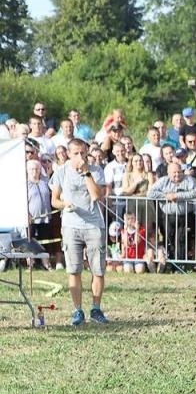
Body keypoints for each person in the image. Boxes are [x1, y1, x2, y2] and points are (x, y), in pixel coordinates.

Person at [49, 137, 110, 325]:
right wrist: (64, 204)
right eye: (76, 153)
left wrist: (86, 173)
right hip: (71, 226)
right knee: (74, 270)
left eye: (83, 153)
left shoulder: (96, 170)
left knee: (97, 270)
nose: (80, 157)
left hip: (94, 226)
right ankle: (77, 310)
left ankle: (96, 309)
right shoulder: (61, 172)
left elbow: (96, 196)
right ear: (68, 154)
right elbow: (54, 200)